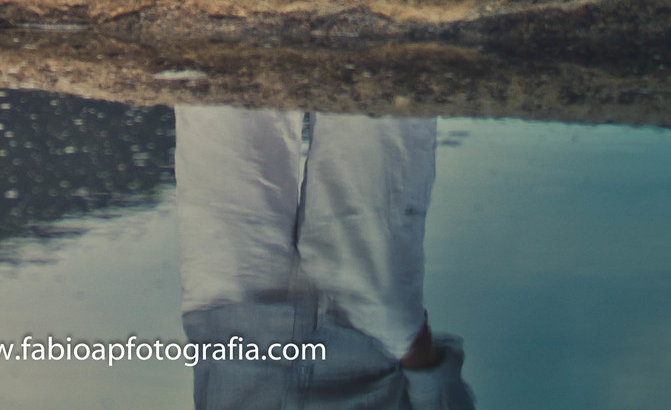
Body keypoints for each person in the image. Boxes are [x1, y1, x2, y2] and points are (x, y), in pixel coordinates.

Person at [173, 105, 476, 408]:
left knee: (220, 102)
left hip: (229, 322)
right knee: (379, 107)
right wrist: (409, 347)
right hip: (364, 334)